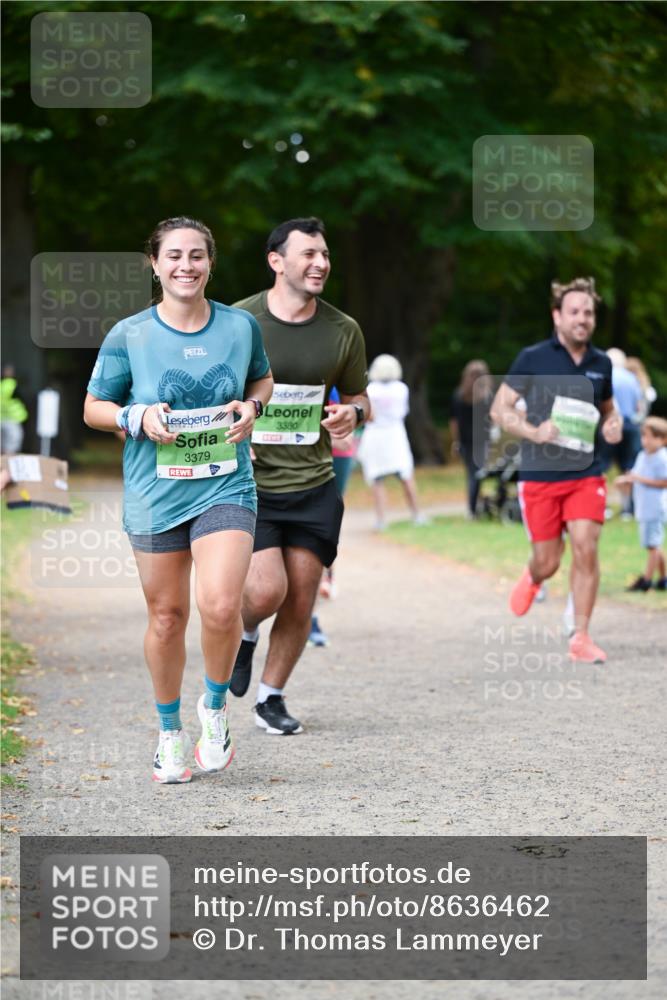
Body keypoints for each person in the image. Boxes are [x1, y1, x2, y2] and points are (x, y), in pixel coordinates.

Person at [83, 217, 273, 782]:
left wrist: (253, 408)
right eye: (174, 256)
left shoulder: (240, 328)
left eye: (196, 255)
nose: (185, 266)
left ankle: (213, 709)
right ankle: (170, 732)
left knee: (220, 604)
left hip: (225, 483)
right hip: (154, 491)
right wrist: (134, 416)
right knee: (167, 617)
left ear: (211, 263)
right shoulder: (130, 334)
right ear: (155, 263)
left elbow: (261, 380)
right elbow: (94, 407)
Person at [229, 217, 369, 734]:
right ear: (276, 261)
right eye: (309, 253)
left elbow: (359, 397)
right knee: (267, 591)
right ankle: (245, 633)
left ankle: (271, 697)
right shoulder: (239, 322)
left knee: (302, 596)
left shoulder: (342, 329)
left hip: (313, 481)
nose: (321, 263)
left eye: (325, 255)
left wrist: (352, 414)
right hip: (251, 483)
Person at [490, 276, 622, 664]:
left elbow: (609, 411)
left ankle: (580, 635)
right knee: (548, 561)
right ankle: (534, 576)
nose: (583, 318)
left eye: (589, 312)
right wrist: (534, 430)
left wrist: (612, 425)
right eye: (575, 311)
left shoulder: (602, 364)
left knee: (586, 546)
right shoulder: (532, 358)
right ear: (557, 316)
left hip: (586, 473)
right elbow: (500, 410)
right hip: (541, 476)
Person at [357, 354, 426, 532]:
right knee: (406, 476)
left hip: (376, 436)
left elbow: (369, 415)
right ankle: (417, 514)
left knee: (377, 479)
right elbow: (403, 412)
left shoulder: (371, 389)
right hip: (395, 435)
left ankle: (381, 519)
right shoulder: (401, 389)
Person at [616, 416, 667, 591]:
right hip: (643, 508)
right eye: (643, 436)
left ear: (662, 439)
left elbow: (664, 482)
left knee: (652, 546)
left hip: (655, 508)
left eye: (650, 437)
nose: (645, 440)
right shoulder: (642, 455)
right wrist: (625, 480)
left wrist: (639, 479)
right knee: (655, 545)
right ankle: (663, 579)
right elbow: (635, 476)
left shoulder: (661, 458)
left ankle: (646, 580)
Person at [450, 359, 494, 518]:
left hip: (465, 441)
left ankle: (474, 506)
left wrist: (455, 442)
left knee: (472, 474)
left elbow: (454, 422)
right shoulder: (487, 396)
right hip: (482, 441)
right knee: (477, 475)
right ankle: (473, 509)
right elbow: (493, 419)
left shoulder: (458, 395)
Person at [602, 348, 643, 516]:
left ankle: (602, 506)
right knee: (629, 467)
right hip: (631, 426)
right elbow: (638, 406)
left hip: (610, 424)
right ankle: (629, 508)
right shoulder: (632, 378)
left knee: (602, 465)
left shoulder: (605, 377)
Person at [0, 364, 28, 455]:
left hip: (2, 418)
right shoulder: (12, 384)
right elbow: (22, 398)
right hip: (12, 419)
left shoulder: (1, 384)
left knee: (3, 445)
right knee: (12, 446)